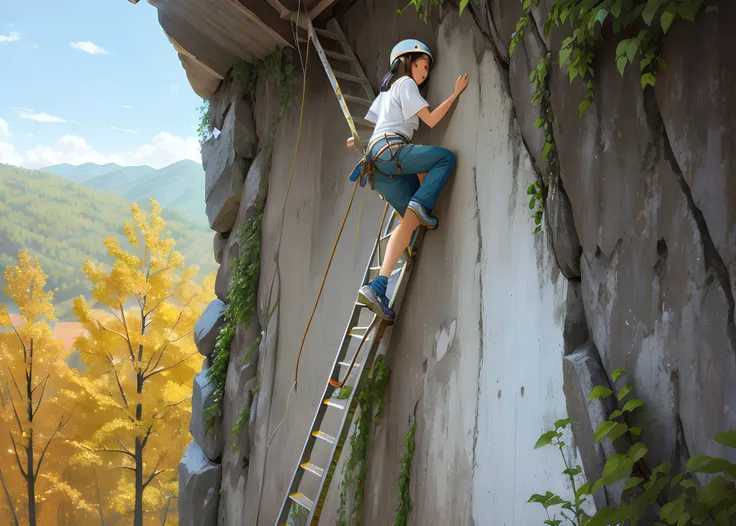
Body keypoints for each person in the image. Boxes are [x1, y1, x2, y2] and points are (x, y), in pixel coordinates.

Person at [346, 39, 469, 322]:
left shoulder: (386, 94)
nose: (424, 73)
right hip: (392, 151)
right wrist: (455, 93)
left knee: (409, 221)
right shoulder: (406, 84)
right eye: (421, 65)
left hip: (378, 164)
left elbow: (375, 127)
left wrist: (359, 142)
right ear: (405, 61)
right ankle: (422, 211)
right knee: (445, 158)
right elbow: (431, 121)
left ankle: (377, 286)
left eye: (427, 69)